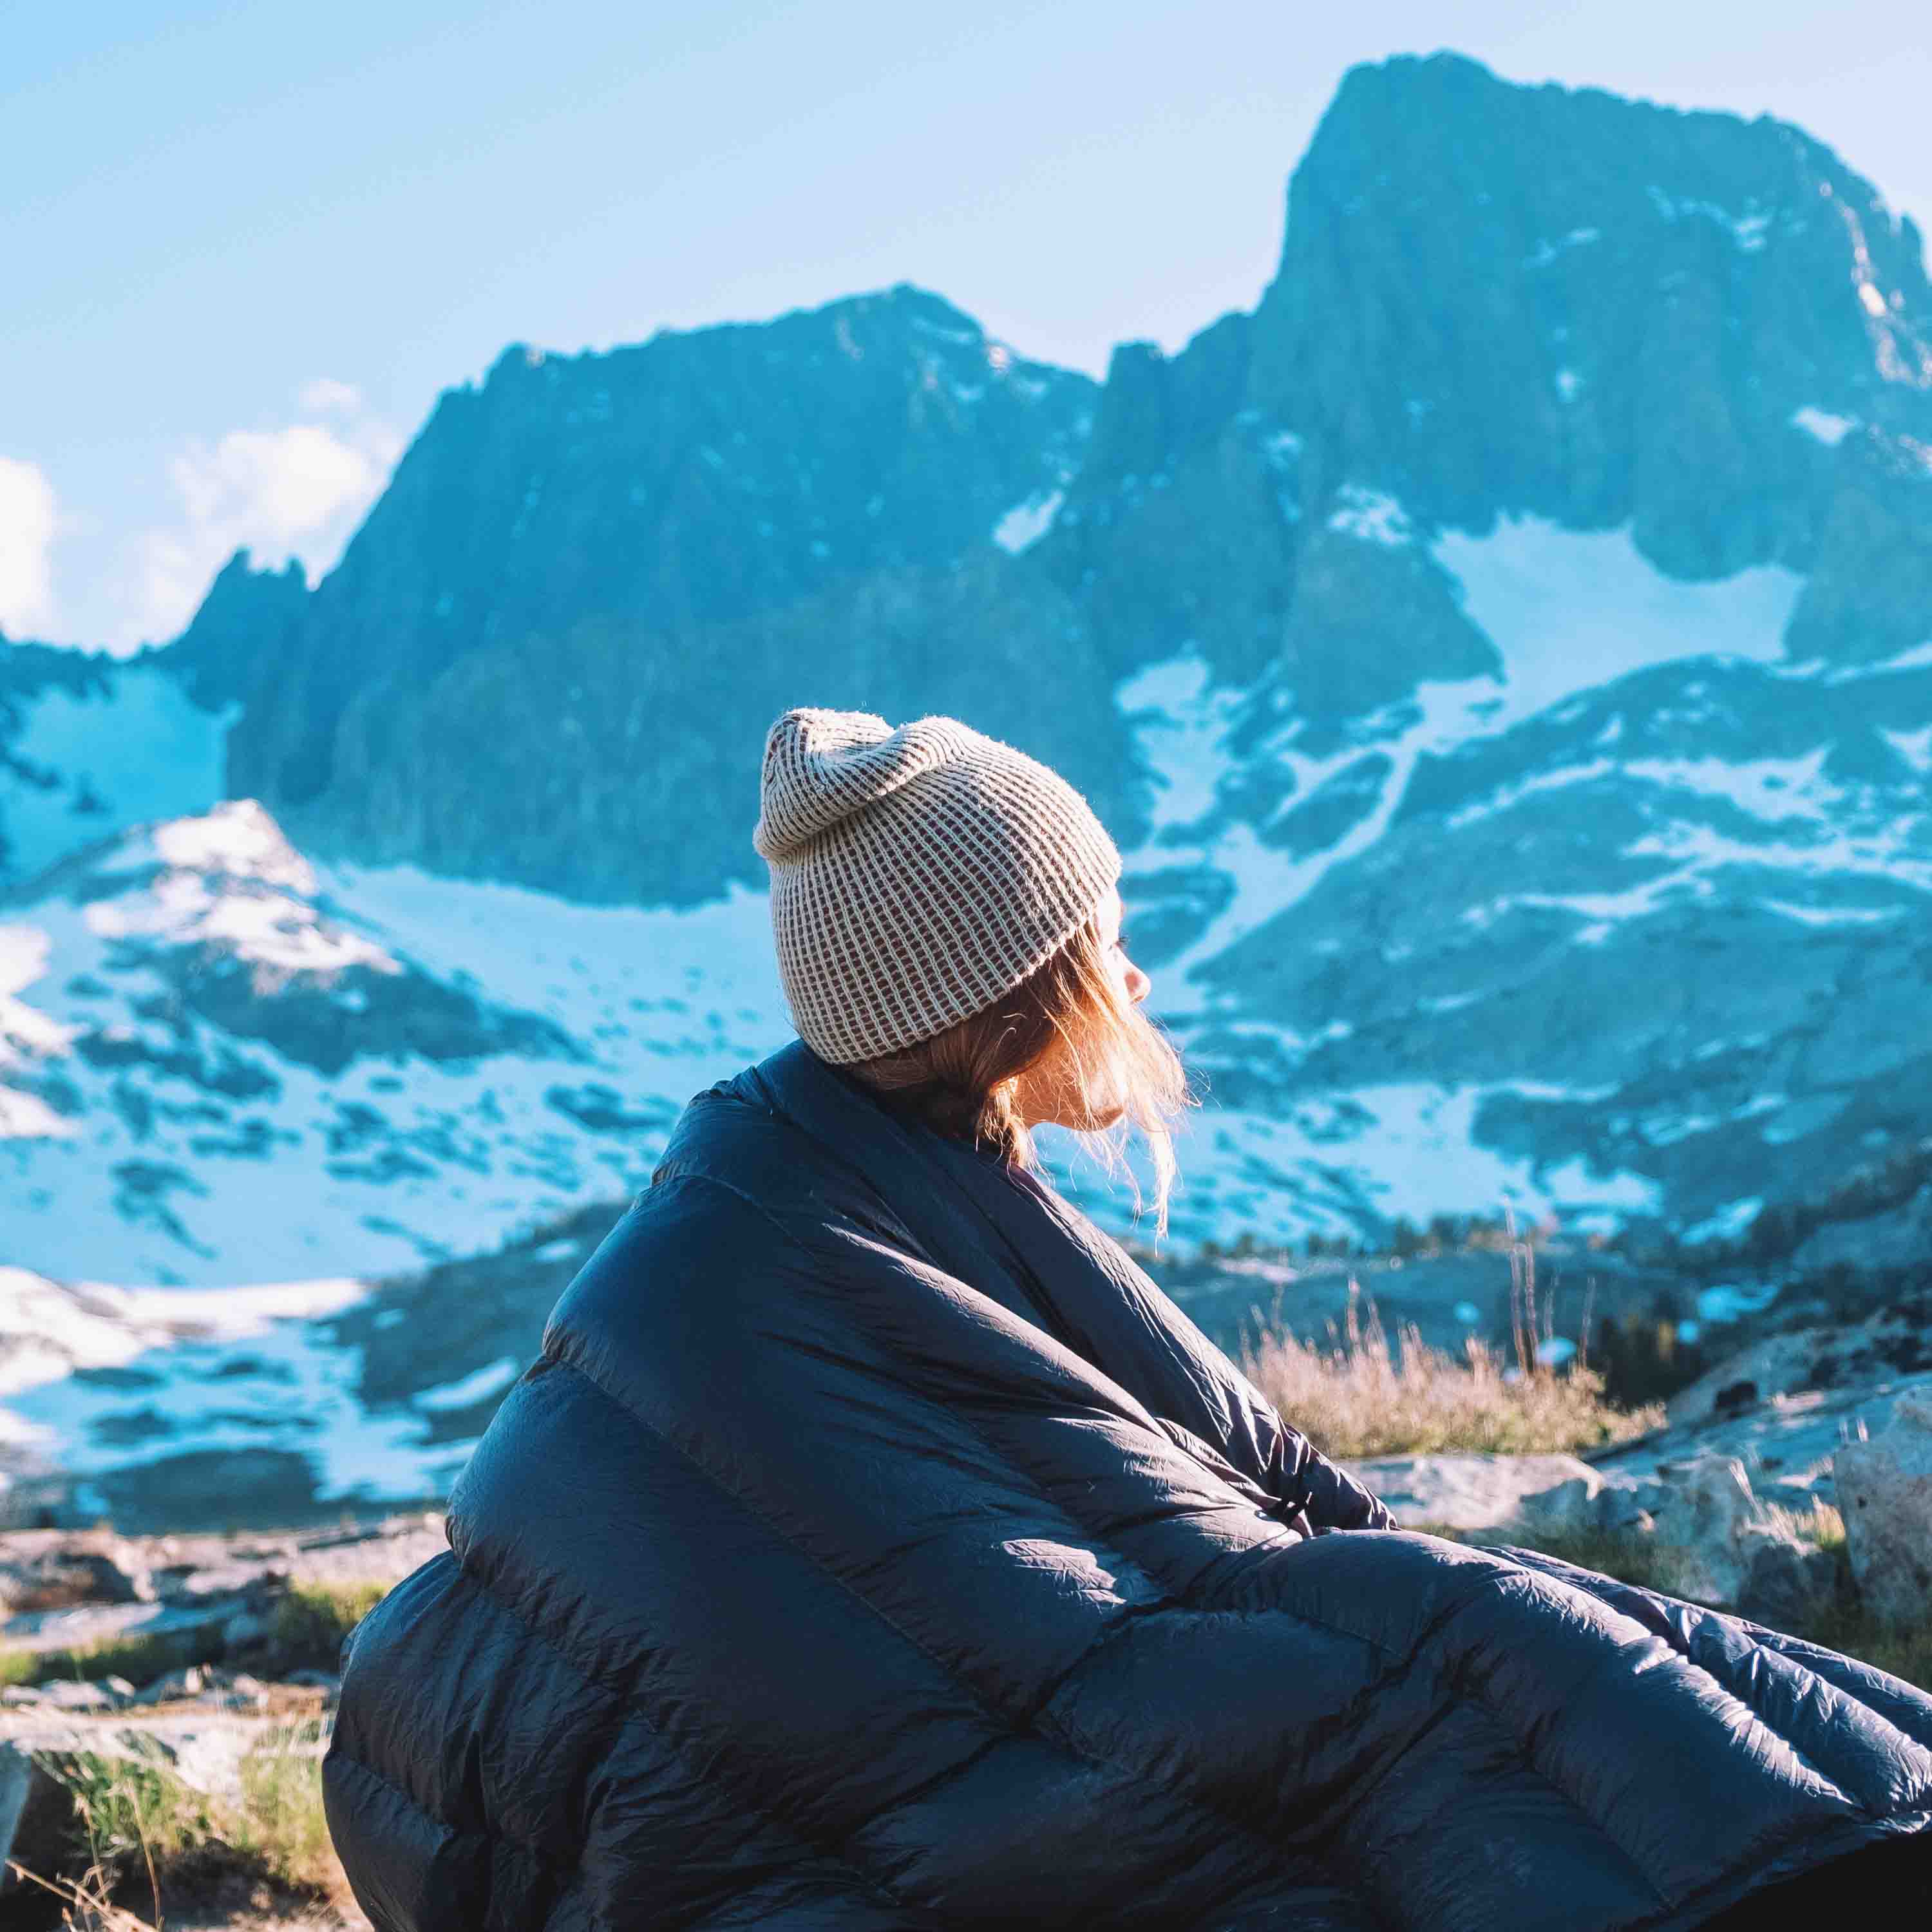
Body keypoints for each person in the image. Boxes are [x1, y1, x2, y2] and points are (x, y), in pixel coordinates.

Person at [324, 708, 1931, 1930]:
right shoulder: (780, 1236)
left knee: (1446, 1626)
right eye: (1103, 942)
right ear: (1013, 993)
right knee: (1406, 1664)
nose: (1137, 983)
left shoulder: (880, 1164)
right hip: (679, 1757)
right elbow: (1053, 1624)